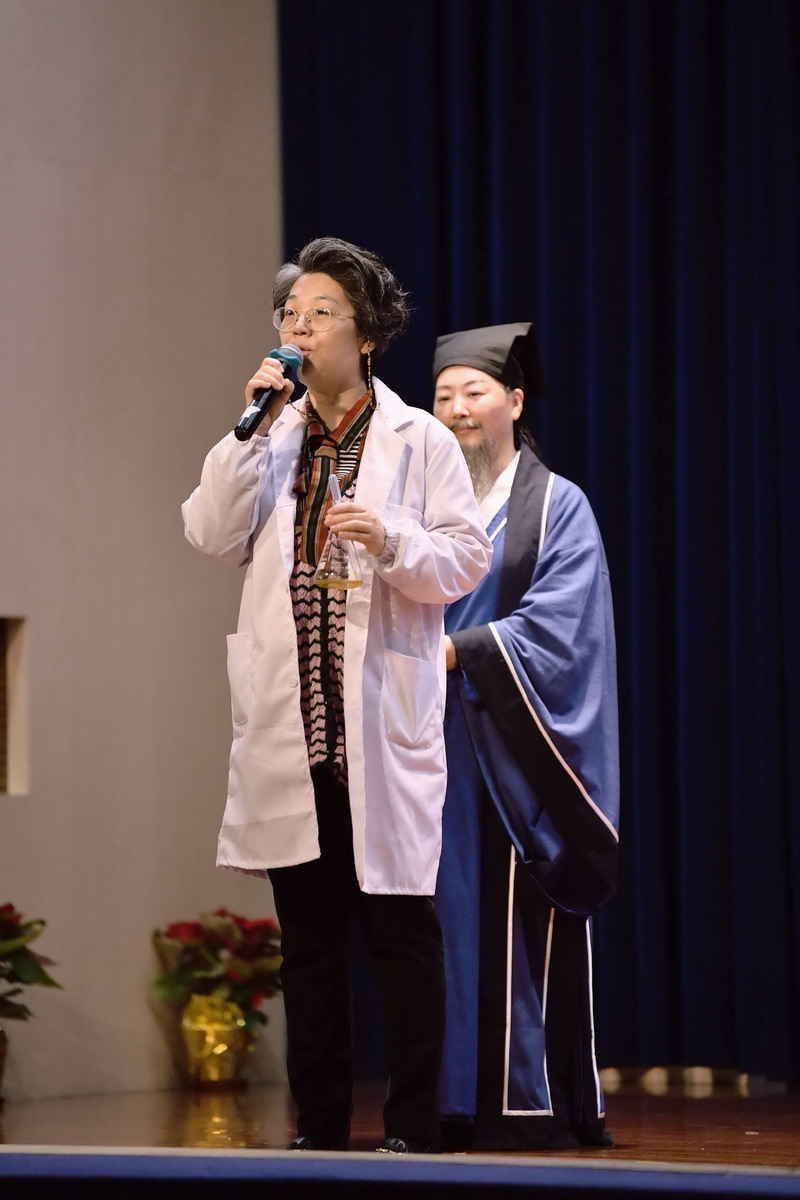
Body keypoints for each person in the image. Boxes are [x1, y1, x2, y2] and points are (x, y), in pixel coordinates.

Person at [181, 238, 492, 1154]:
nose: (301, 329)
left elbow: (464, 559)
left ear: (368, 336)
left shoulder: (418, 438)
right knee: (309, 946)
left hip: (378, 728)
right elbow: (208, 532)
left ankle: (413, 1131)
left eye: (321, 314)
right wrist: (245, 430)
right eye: (291, 314)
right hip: (296, 727)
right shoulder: (271, 436)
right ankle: (317, 1133)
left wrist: (392, 538)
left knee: (400, 935)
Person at [431, 323, 619, 1151]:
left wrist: (461, 650)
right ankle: (443, 1103)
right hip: (427, 746)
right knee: (437, 923)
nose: (457, 409)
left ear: (513, 401)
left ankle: (526, 1103)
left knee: (515, 921)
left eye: (474, 392)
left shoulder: (557, 505)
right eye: (443, 395)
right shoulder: (420, 505)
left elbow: (562, 627)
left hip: (515, 746)